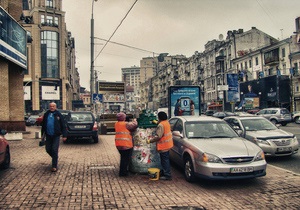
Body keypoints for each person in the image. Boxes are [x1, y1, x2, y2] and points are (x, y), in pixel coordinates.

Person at [147, 111, 173, 180]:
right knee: (165, 159)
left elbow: (158, 136)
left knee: (165, 160)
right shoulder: (166, 122)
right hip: (168, 144)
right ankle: (165, 172)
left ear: (159, 117)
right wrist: (156, 122)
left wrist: (150, 141)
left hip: (163, 145)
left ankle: (167, 175)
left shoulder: (161, 125)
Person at [41, 102, 67, 172]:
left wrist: (65, 135)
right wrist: (42, 135)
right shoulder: (46, 114)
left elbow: (63, 125)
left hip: (56, 135)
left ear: (55, 107)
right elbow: (43, 125)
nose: (52, 107)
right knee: (48, 149)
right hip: (48, 135)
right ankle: (55, 158)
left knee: (54, 150)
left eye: (53, 106)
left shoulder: (58, 114)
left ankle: (54, 166)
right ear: (49, 107)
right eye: (50, 106)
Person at [115, 112, 138, 177]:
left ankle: (122, 172)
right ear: (123, 118)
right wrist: (135, 120)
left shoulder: (116, 123)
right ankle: (123, 173)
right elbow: (134, 125)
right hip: (126, 144)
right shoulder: (126, 124)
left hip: (119, 144)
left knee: (123, 158)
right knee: (126, 159)